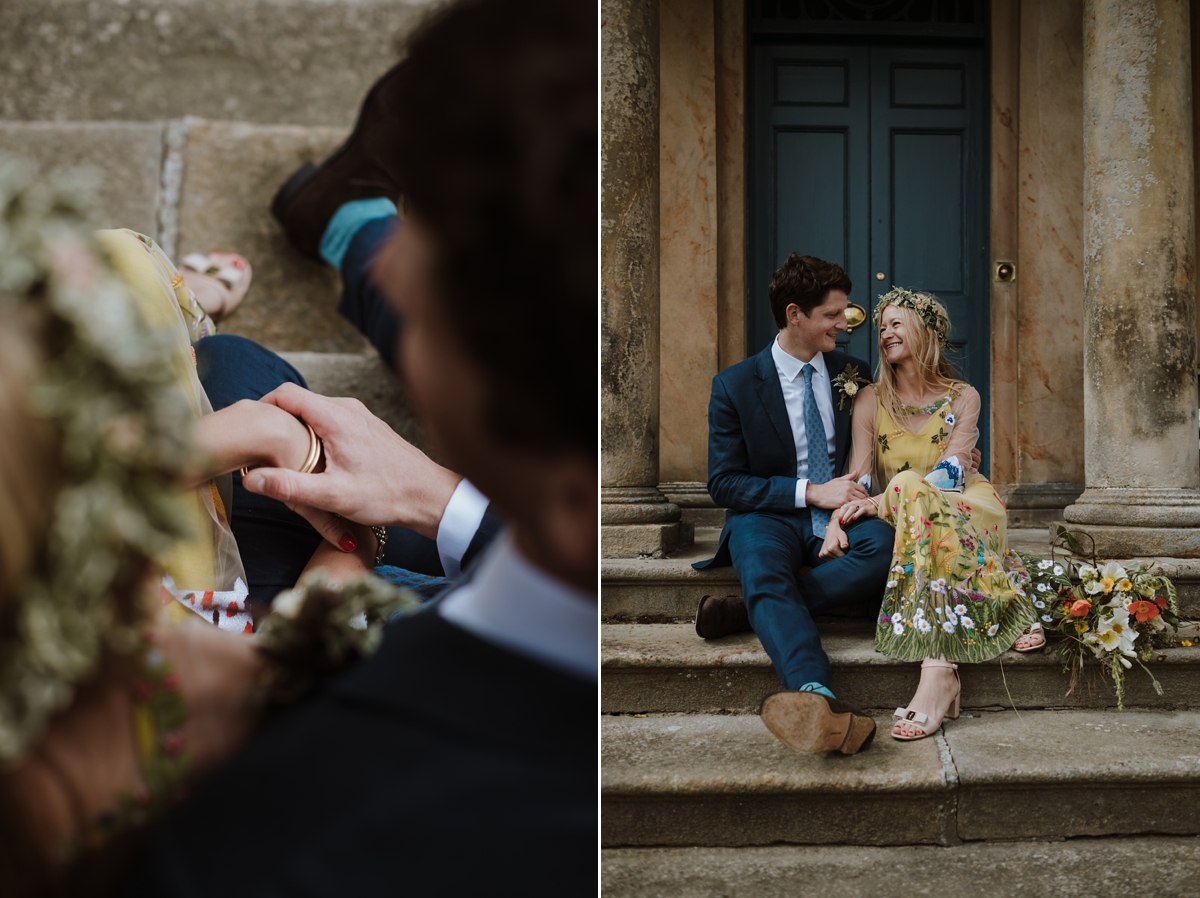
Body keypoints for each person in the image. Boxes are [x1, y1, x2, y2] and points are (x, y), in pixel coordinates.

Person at [120, 0, 595, 893]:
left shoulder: (253, 838)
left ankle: (341, 213)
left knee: (229, 369)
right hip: (450, 536)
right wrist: (441, 499)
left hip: (284, 629)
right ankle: (335, 214)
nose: (395, 270)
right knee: (232, 368)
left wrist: (292, 631)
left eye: (415, 237)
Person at [693, 253, 896, 755]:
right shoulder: (735, 385)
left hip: (844, 510)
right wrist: (808, 493)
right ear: (794, 315)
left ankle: (752, 613)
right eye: (832, 314)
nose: (844, 323)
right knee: (763, 568)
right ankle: (813, 692)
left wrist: (843, 502)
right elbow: (724, 482)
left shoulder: (853, 371)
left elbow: (870, 447)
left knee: (887, 545)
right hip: (769, 515)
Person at [828, 287, 1036, 741]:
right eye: (881, 327)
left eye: (896, 323)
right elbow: (858, 481)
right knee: (906, 487)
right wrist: (839, 516)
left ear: (926, 331)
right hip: (906, 517)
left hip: (967, 504)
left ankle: (940, 670)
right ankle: (945, 666)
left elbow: (952, 474)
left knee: (908, 485)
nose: (885, 333)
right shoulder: (870, 400)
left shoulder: (964, 397)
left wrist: (885, 498)